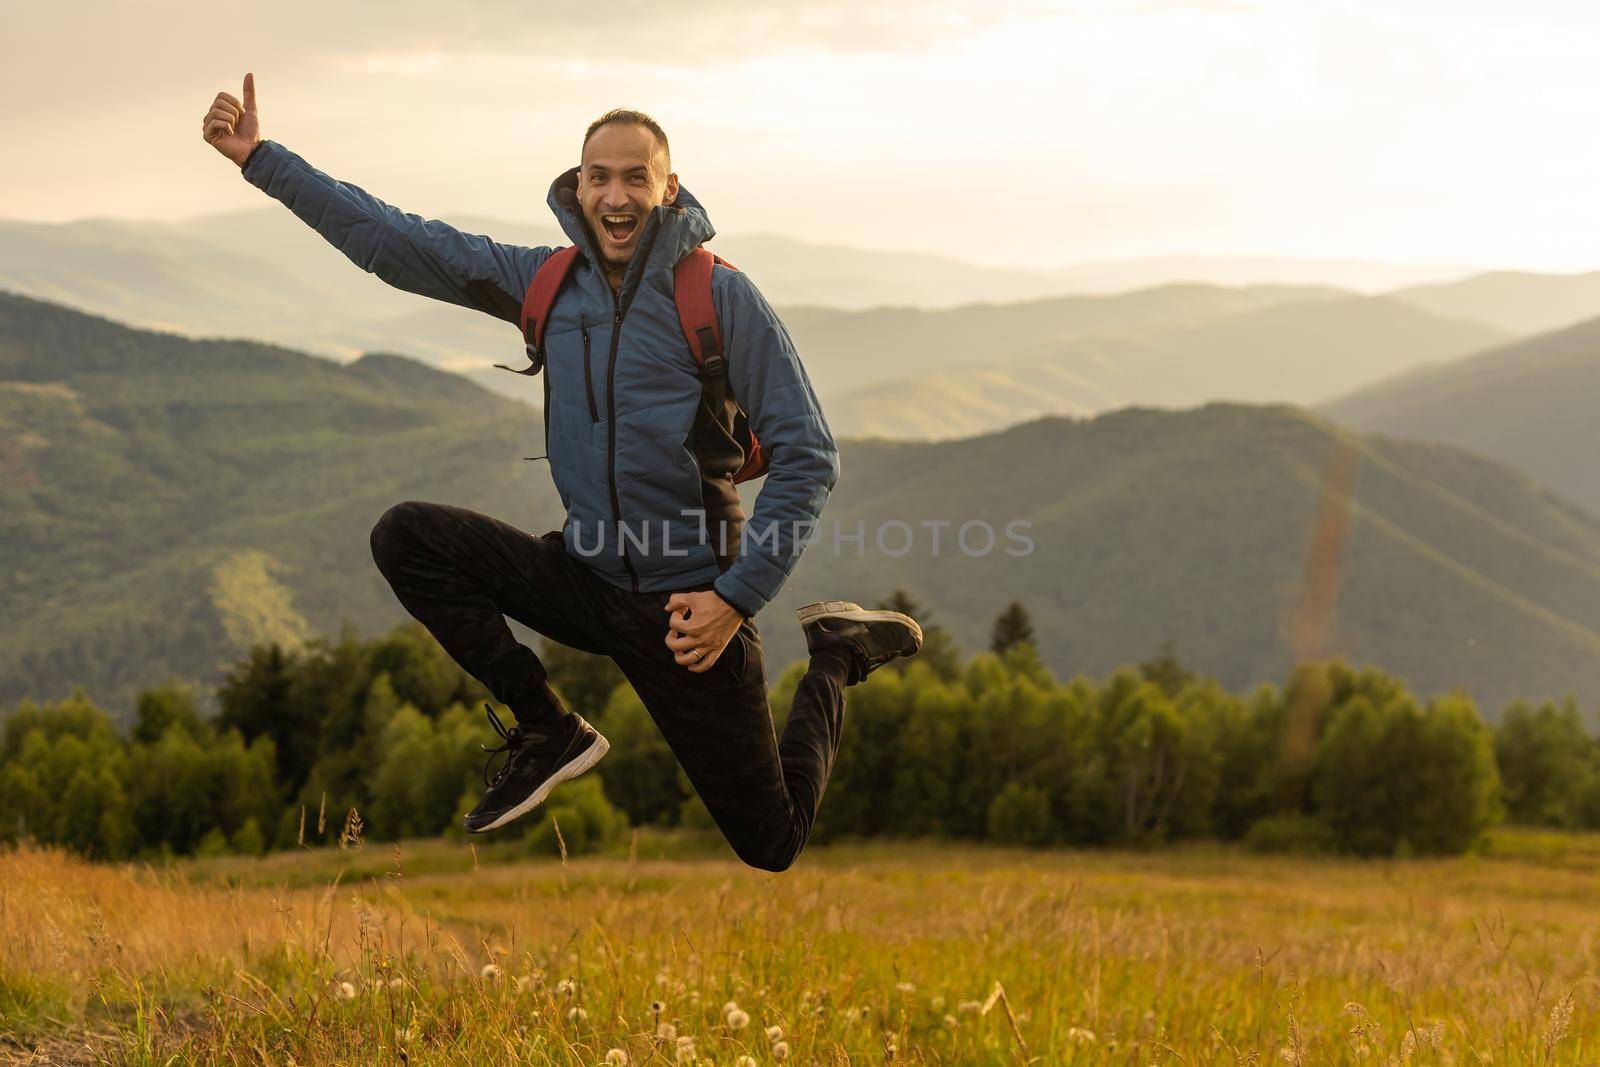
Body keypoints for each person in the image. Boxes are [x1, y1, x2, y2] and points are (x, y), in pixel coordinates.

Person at [201, 74, 922, 872]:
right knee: (408, 536)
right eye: (599, 177)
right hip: (584, 575)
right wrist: (260, 159)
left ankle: (837, 652)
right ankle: (549, 728)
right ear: (576, 186)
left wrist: (734, 597)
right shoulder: (546, 282)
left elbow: (810, 453)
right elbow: (398, 243)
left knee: (771, 841)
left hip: (686, 609)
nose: (616, 196)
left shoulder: (717, 295)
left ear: (668, 188)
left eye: (635, 177)